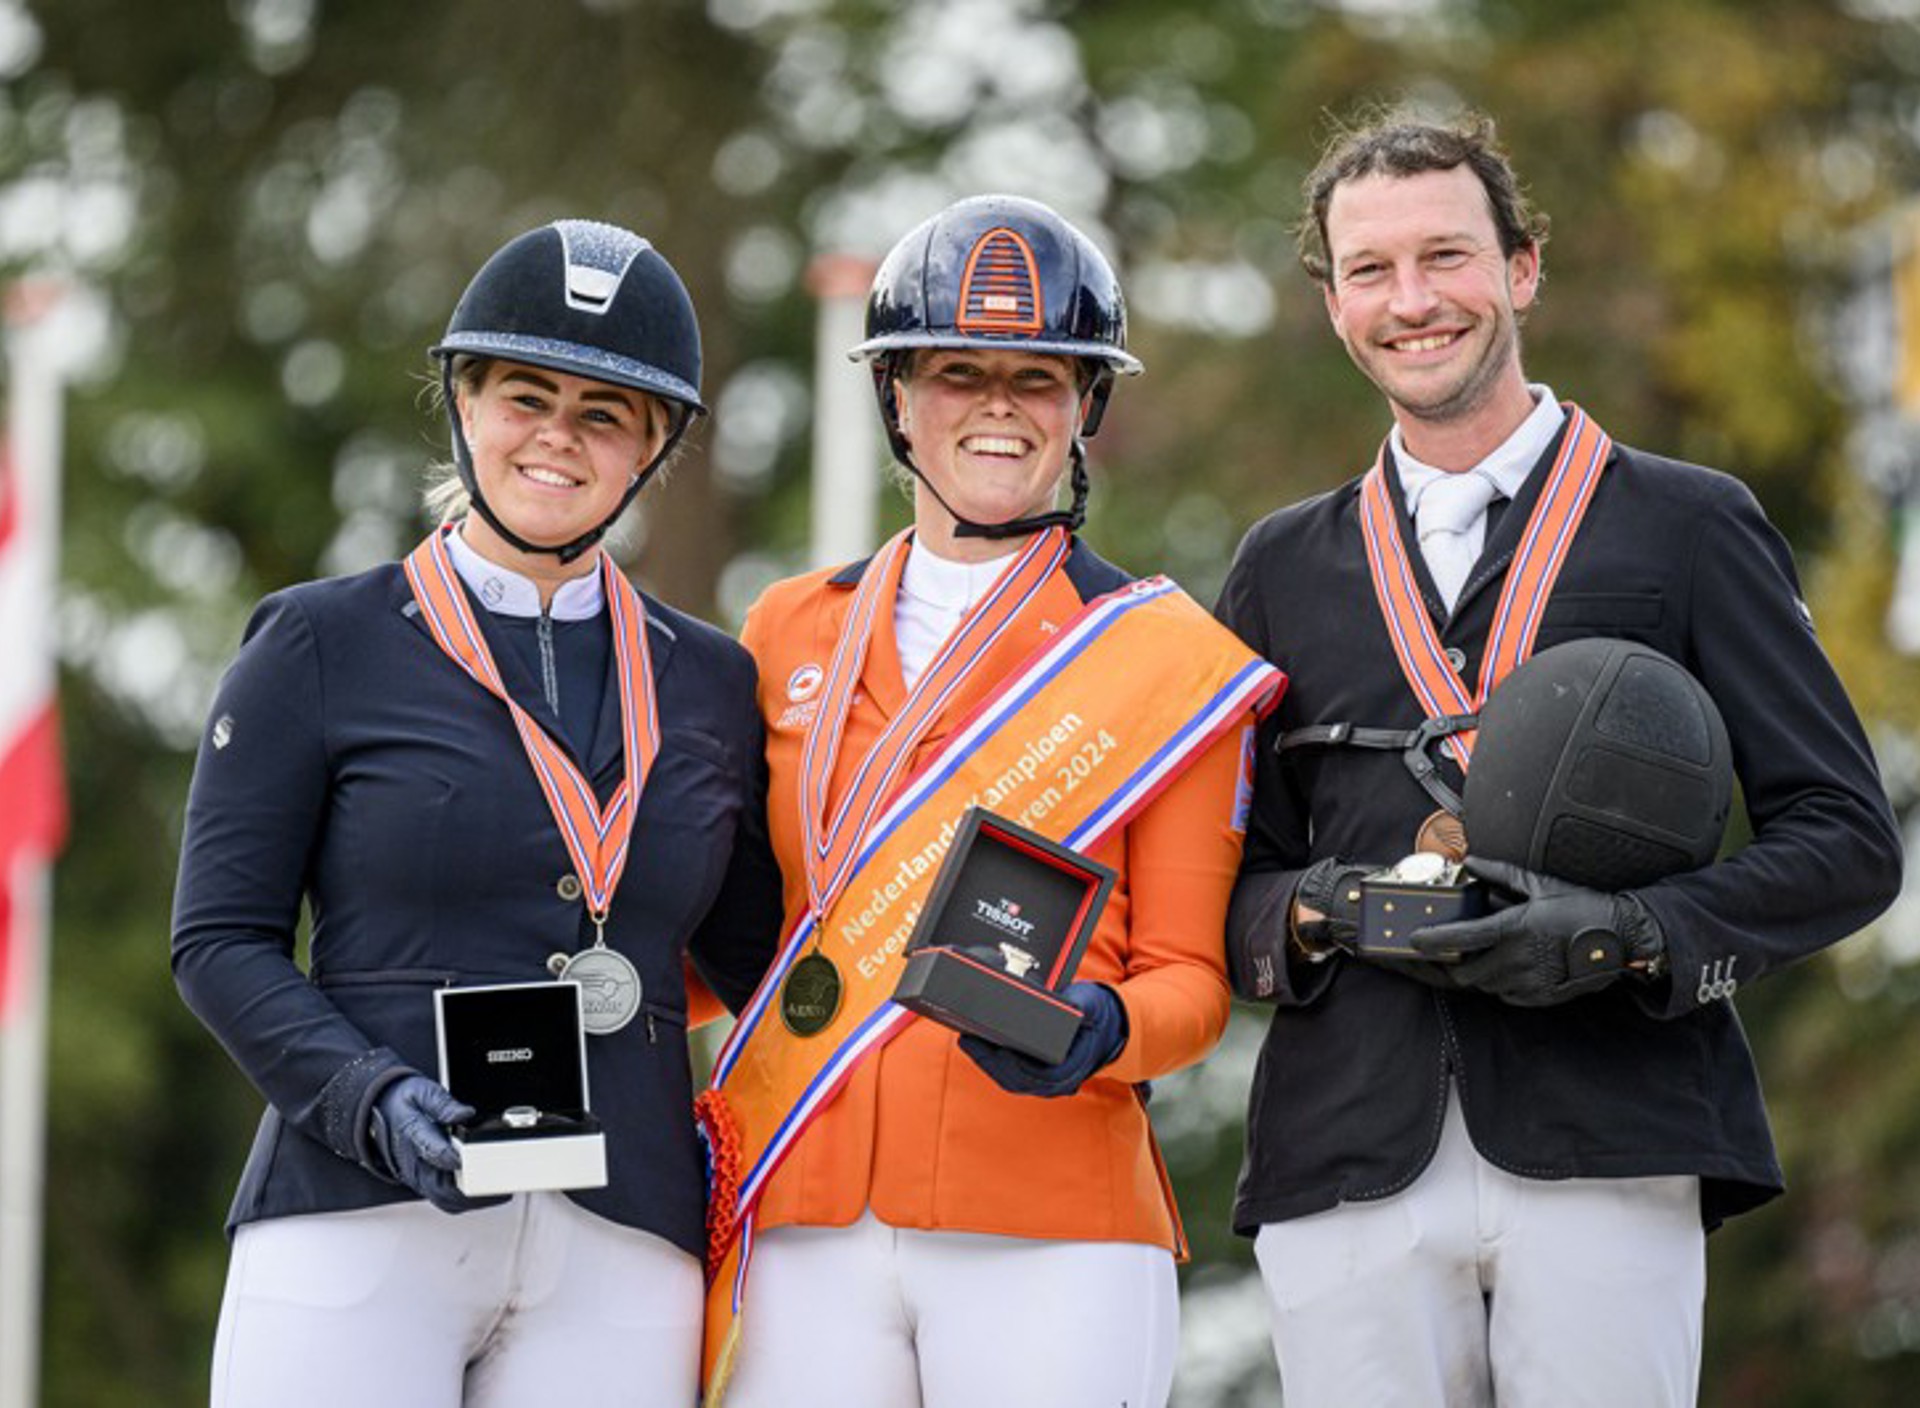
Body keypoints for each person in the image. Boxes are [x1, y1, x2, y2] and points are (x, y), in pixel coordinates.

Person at [1214, 105, 1905, 1406]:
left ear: (1523, 268)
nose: (1413, 300)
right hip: (1349, 1149)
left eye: (1448, 257)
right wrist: (1313, 910)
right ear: (1332, 304)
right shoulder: (1276, 567)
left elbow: (1847, 843)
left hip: (1614, 1137)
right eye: (1371, 270)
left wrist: (1629, 937)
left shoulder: (1692, 524)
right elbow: (1217, 875)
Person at [171, 219, 784, 1408]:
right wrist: (370, 1096)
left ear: (651, 446)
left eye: (605, 412)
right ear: (464, 400)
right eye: (525, 395)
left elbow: (757, 953)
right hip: (363, 1211)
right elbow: (218, 942)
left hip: (622, 1240)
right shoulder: (317, 641)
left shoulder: (710, 679)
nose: (558, 437)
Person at [695, 194, 1284, 1408]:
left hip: (1051, 1214)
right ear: (898, 397)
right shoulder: (784, 627)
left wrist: (1101, 1031)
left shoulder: (1168, 658)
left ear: (1085, 408)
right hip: (806, 1203)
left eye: (1041, 377)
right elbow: (739, 920)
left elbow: (1190, 979)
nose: (1001, 407)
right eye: (961, 374)